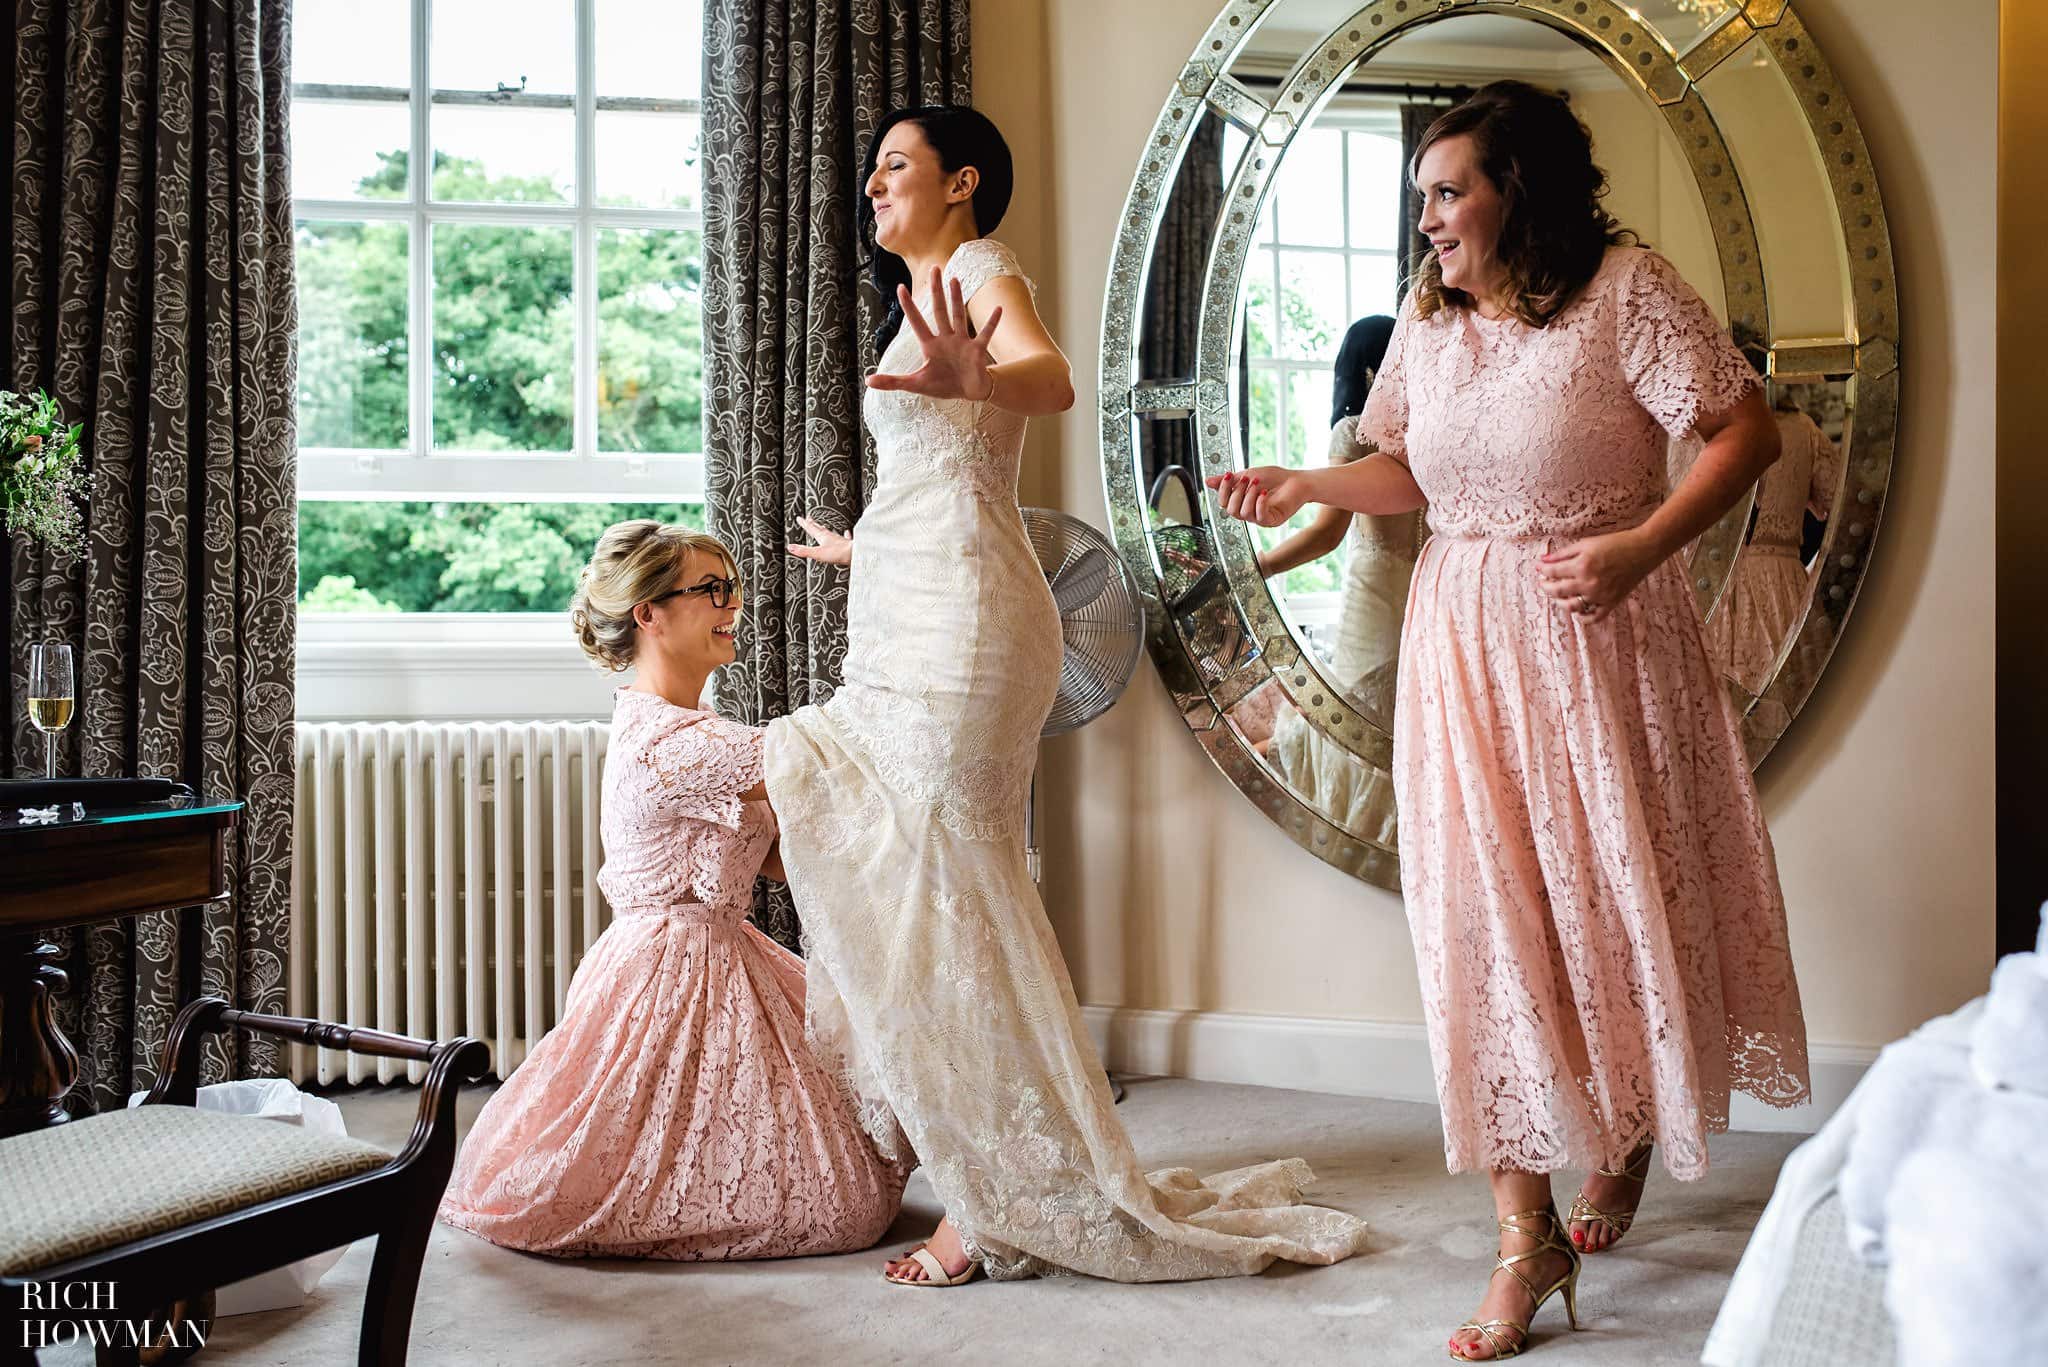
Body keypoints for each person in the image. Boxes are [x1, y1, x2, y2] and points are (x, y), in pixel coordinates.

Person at [1211, 81, 1809, 1359]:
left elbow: (1740, 432)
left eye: (1447, 192)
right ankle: (1519, 1234)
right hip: (1460, 642)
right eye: (1419, 196)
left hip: (1597, 635)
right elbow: (1402, 468)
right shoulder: (1429, 320)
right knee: (1481, 922)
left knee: (1604, 898)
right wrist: (1302, 481)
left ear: (1515, 190)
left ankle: (1629, 1130)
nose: (1425, 219)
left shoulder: (1626, 293)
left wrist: (1641, 546)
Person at [768, 105, 1371, 1286]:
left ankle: (986, 1201)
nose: (874, 183)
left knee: (953, 884)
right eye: (874, 167)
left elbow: (1042, 376)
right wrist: (862, 551)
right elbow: (948, 471)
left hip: (969, 620)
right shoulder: (920, 289)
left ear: (963, 182)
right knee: (921, 873)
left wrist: (977, 366)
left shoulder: (982, 270)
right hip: (910, 598)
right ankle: (974, 1158)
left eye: (898, 165)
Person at [438, 522, 908, 1260]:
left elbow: (781, 849)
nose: (732, 605)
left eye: (732, 587)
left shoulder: (692, 728)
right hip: (671, 967)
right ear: (648, 614)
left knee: (855, 1158)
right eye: (710, 589)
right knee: (839, 1203)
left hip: (720, 947)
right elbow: (832, 763)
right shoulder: (675, 743)